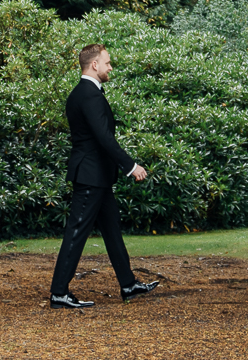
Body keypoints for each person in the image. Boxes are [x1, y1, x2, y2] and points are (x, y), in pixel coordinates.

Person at [48, 43, 164, 309]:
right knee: (76, 233)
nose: (111, 67)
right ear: (95, 65)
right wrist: (130, 166)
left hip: (97, 177)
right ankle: (58, 293)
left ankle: (129, 285)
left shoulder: (85, 93)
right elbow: (103, 138)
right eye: (108, 63)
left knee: (112, 230)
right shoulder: (88, 94)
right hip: (90, 176)